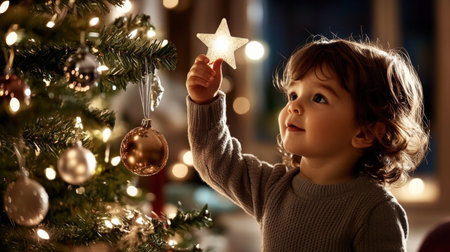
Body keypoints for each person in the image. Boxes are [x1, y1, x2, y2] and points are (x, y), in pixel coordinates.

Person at [185, 37, 429, 251]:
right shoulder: (272, 188)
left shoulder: (374, 211)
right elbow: (215, 161)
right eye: (293, 95)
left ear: (365, 133)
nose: (293, 106)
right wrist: (205, 102)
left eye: (319, 98)